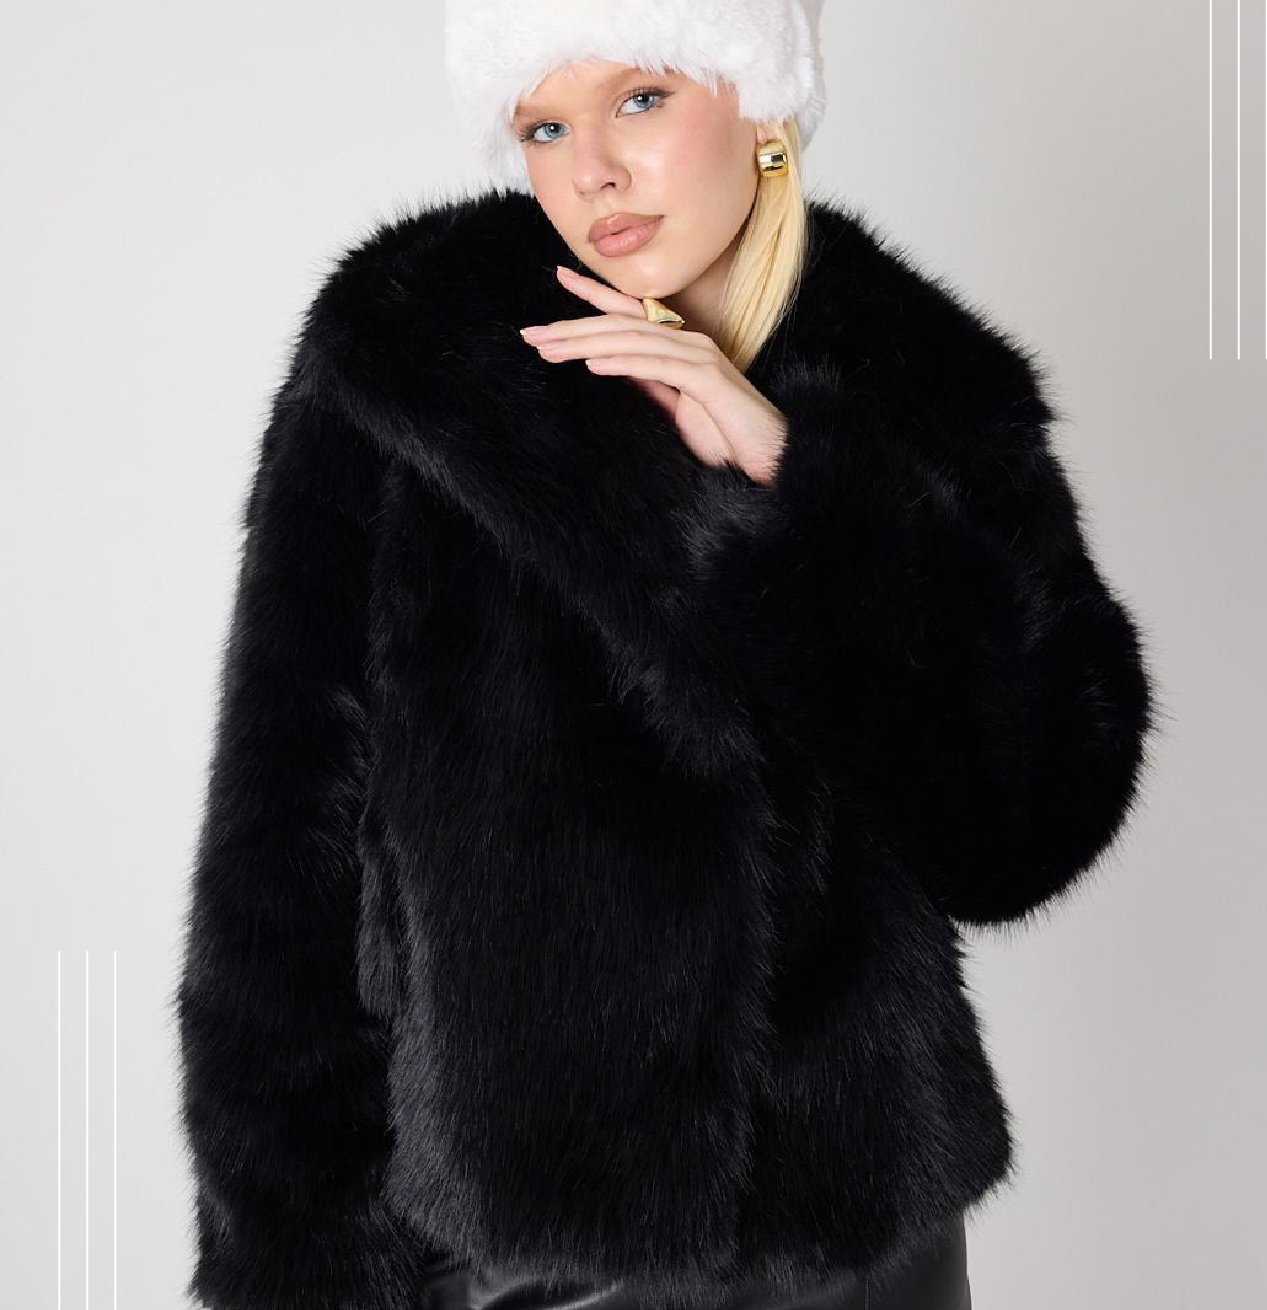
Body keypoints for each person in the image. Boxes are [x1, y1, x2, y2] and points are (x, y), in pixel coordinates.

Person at [171, 2, 1159, 1309]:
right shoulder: (414, 353)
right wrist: (301, 1263)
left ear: (759, 104)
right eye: (543, 126)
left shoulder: (917, 382)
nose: (590, 170)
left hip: (856, 1248)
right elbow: (278, 857)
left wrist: (799, 491)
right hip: (522, 1252)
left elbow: (1022, 827)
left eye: (640, 98)